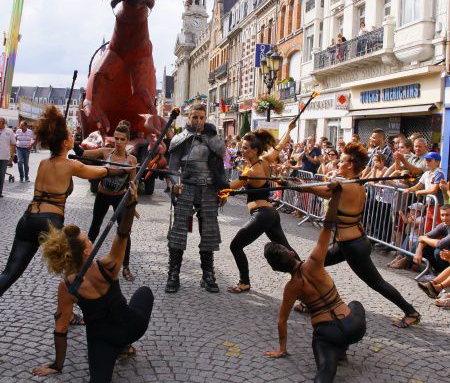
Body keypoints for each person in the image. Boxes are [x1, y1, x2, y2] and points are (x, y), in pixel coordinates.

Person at [32, 182, 154, 382]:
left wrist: (57, 365)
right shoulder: (108, 266)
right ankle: (124, 346)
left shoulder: (67, 287)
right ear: (87, 251)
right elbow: (123, 234)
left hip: (102, 340)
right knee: (145, 291)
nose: (90, 239)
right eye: (87, 239)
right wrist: (131, 207)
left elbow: (61, 329)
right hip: (131, 327)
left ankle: (122, 348)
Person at [0, 106, 121, 297]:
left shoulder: (43, 163)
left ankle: (73, 306)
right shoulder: (70, 165)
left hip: (27, 220)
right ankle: (83, 307)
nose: (74, 137)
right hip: (49, 223)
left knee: (9, 273)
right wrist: (121, 169)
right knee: (79, 265)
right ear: (65, 143)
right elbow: (100, 172)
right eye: (71, 135)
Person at [298, 142, 420, 327]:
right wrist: (298, 185)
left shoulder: (346, 186)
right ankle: (314, 303)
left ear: (350, 165)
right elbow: (326, 190)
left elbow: (321, 191)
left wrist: (298, 186)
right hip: (347, 243)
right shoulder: (353, 185)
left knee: (376, 283)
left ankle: (411, 312)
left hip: (353, 246)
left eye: (342, 161)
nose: (338, 163)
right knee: (311, 267)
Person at [264, 184, 366, 383]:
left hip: (327, 334)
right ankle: (341, 350)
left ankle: (337, 351)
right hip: (353, 327)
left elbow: (282, 320)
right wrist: (336, 195)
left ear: (276, 269)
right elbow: (328, 225)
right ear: (291, 253)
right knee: (356, 305)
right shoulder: (315, 261)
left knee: (325, 372)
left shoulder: (291, 288)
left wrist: (282, 348)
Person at [226, 123, 300, 293]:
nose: (242, 150)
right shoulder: (265, 160)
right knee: (288, 250)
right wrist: (289, 130)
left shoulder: (250, 172)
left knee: (235, 246)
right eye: (242, 147)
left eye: (245, 148)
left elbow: (229, 187)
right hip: (271, 214)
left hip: (262, 214)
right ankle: (306, 276)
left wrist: (213, 186)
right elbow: (279, 146)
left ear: (255, 150)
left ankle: (244, 282)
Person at [165, 104, 227, 293]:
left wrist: (223, 190)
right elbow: (173, 167)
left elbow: (219, 168)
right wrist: (175, 183)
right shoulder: (180, 138)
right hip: (187, 188)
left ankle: (208, 274)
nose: (198, 121)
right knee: (178, 232)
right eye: (195, 117)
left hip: (208, 190)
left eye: (201, 117)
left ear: (205, 118)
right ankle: (173, 273)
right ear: (188, 117)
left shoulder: (214, 139)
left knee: (208, 233)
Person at [75, 122, 137, 282]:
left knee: (124, 232)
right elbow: (82, 153)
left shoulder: (131, 160)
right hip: (103, 195)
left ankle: (126, 267)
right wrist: (71, 141)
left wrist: (133, 204)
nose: (118, 142)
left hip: (119, 197)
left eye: (122, 139)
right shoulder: (105, 152)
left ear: (127, 140)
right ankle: (84, 262)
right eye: (116, 138)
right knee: (94, 228)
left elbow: (132, 185)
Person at [403, 152, 444, 233]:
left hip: (437, 205)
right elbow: (418, 186)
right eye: (426, 160)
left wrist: (420, 192)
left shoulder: (439, 173)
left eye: (429, 160)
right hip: (429, 204)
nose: (426, 162)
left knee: (437, 227)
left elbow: (434, 190)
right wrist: (409, 189)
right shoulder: (426, 173)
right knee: (427, 228)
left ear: (437, 162)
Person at [413, 204, 450, 273]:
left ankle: (442, 272)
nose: (444, 218)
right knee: (420, 244)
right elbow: (426, 236)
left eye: (447, 215)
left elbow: (440, 244)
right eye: (442, 215)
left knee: (438, 252)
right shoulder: (443, 225)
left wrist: (424, 238)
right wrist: (419, 251)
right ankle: (408, 261)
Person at [0, 117, 16, 198]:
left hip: (4, 157)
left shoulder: (9, 131)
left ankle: (0, 192)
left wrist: (12, 156)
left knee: (1, 175)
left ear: (3, 123)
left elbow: (13, 144)